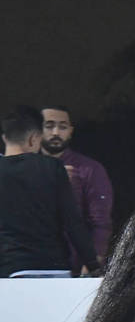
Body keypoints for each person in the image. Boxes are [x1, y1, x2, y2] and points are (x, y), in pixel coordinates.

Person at [0, 106, 100, 278]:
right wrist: (93, 265)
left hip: (12, 269)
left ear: (4, 138)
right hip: (55, 266)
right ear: (34, 138)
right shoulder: (51, 167)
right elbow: (73, 222)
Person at [40, 106, 114, 271]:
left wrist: (94, 260)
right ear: (38, 130)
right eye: (49, 126)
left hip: (74, 263)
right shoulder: (25, 168)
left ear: (71, 131)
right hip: (32, 262)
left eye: (63, 126)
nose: (56, 133)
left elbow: (100, 221)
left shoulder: (89, 169)